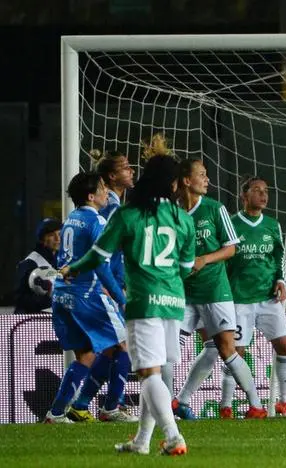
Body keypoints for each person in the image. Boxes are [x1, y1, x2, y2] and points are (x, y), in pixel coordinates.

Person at [61, 155, 192, 455]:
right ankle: (142, 441)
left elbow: (97, 256)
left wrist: (72, 268)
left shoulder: (128, 215)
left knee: (149, 374)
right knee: (154, 373)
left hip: (143, 301)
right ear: (172, 184)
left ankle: (173, 436)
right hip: (173, 302)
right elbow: (186, 267)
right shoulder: (183, 218)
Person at [170, 153, 266, 420]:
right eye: (202, 175)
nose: (207, 179)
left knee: (223, 348)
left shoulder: (214, 208)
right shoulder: (172, 212)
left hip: (215, 290)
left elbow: (231, 248)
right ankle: (166, 405)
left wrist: (204, 259)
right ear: (187, 181)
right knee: (168, 348)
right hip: (184, 292)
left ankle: (256, 405)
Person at [45, 173, 128, 424]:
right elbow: (101, 267)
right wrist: (120, 297)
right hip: (85, 294)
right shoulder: (97, 221)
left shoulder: (71, 219)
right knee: (125, 344)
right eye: (102, 189)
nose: (106, 193)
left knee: (87, 355)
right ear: (91, 196)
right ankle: (111, 408)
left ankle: (56, 413)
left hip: (62, 294)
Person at [219, 176, 286, 418]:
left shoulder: (272, 225)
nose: (263, 195)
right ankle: (226, 405)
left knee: (284, 345)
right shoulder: (231, 224)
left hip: (268, 299)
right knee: (236, 354)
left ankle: (284, 402)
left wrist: (281, 280)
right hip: (239, 300)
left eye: (266, 191)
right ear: (244, 196)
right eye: (257, 190)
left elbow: (278, 258)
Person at [91, 148, 135, 290]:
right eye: (125, 167)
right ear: (112, 176)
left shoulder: (107, 204)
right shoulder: (111, 208)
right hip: (107, 287)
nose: (132, 171)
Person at [14, 218, 61, 314]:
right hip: (31, 322)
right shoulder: (29, 263)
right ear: (42, 239)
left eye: (60, 234)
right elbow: (20, 300)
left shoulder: (60, 260)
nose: (57, 239)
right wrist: (48, 299)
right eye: (52, 235)